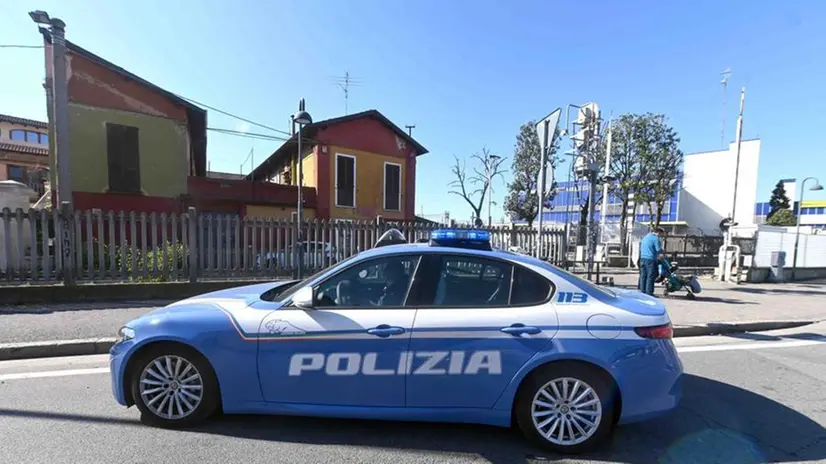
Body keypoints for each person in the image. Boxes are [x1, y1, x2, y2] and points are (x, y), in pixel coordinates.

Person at [638, 227, 665, 296]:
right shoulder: (655, 239)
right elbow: (658, 249)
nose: (661, 236)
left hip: (642, 258)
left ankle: (642, 291)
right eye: (661, 234)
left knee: (643, 275)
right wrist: (663, 251)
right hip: (651, 259)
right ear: (658, 232)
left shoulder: (645, 237)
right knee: (650, 276)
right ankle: (649, 292)